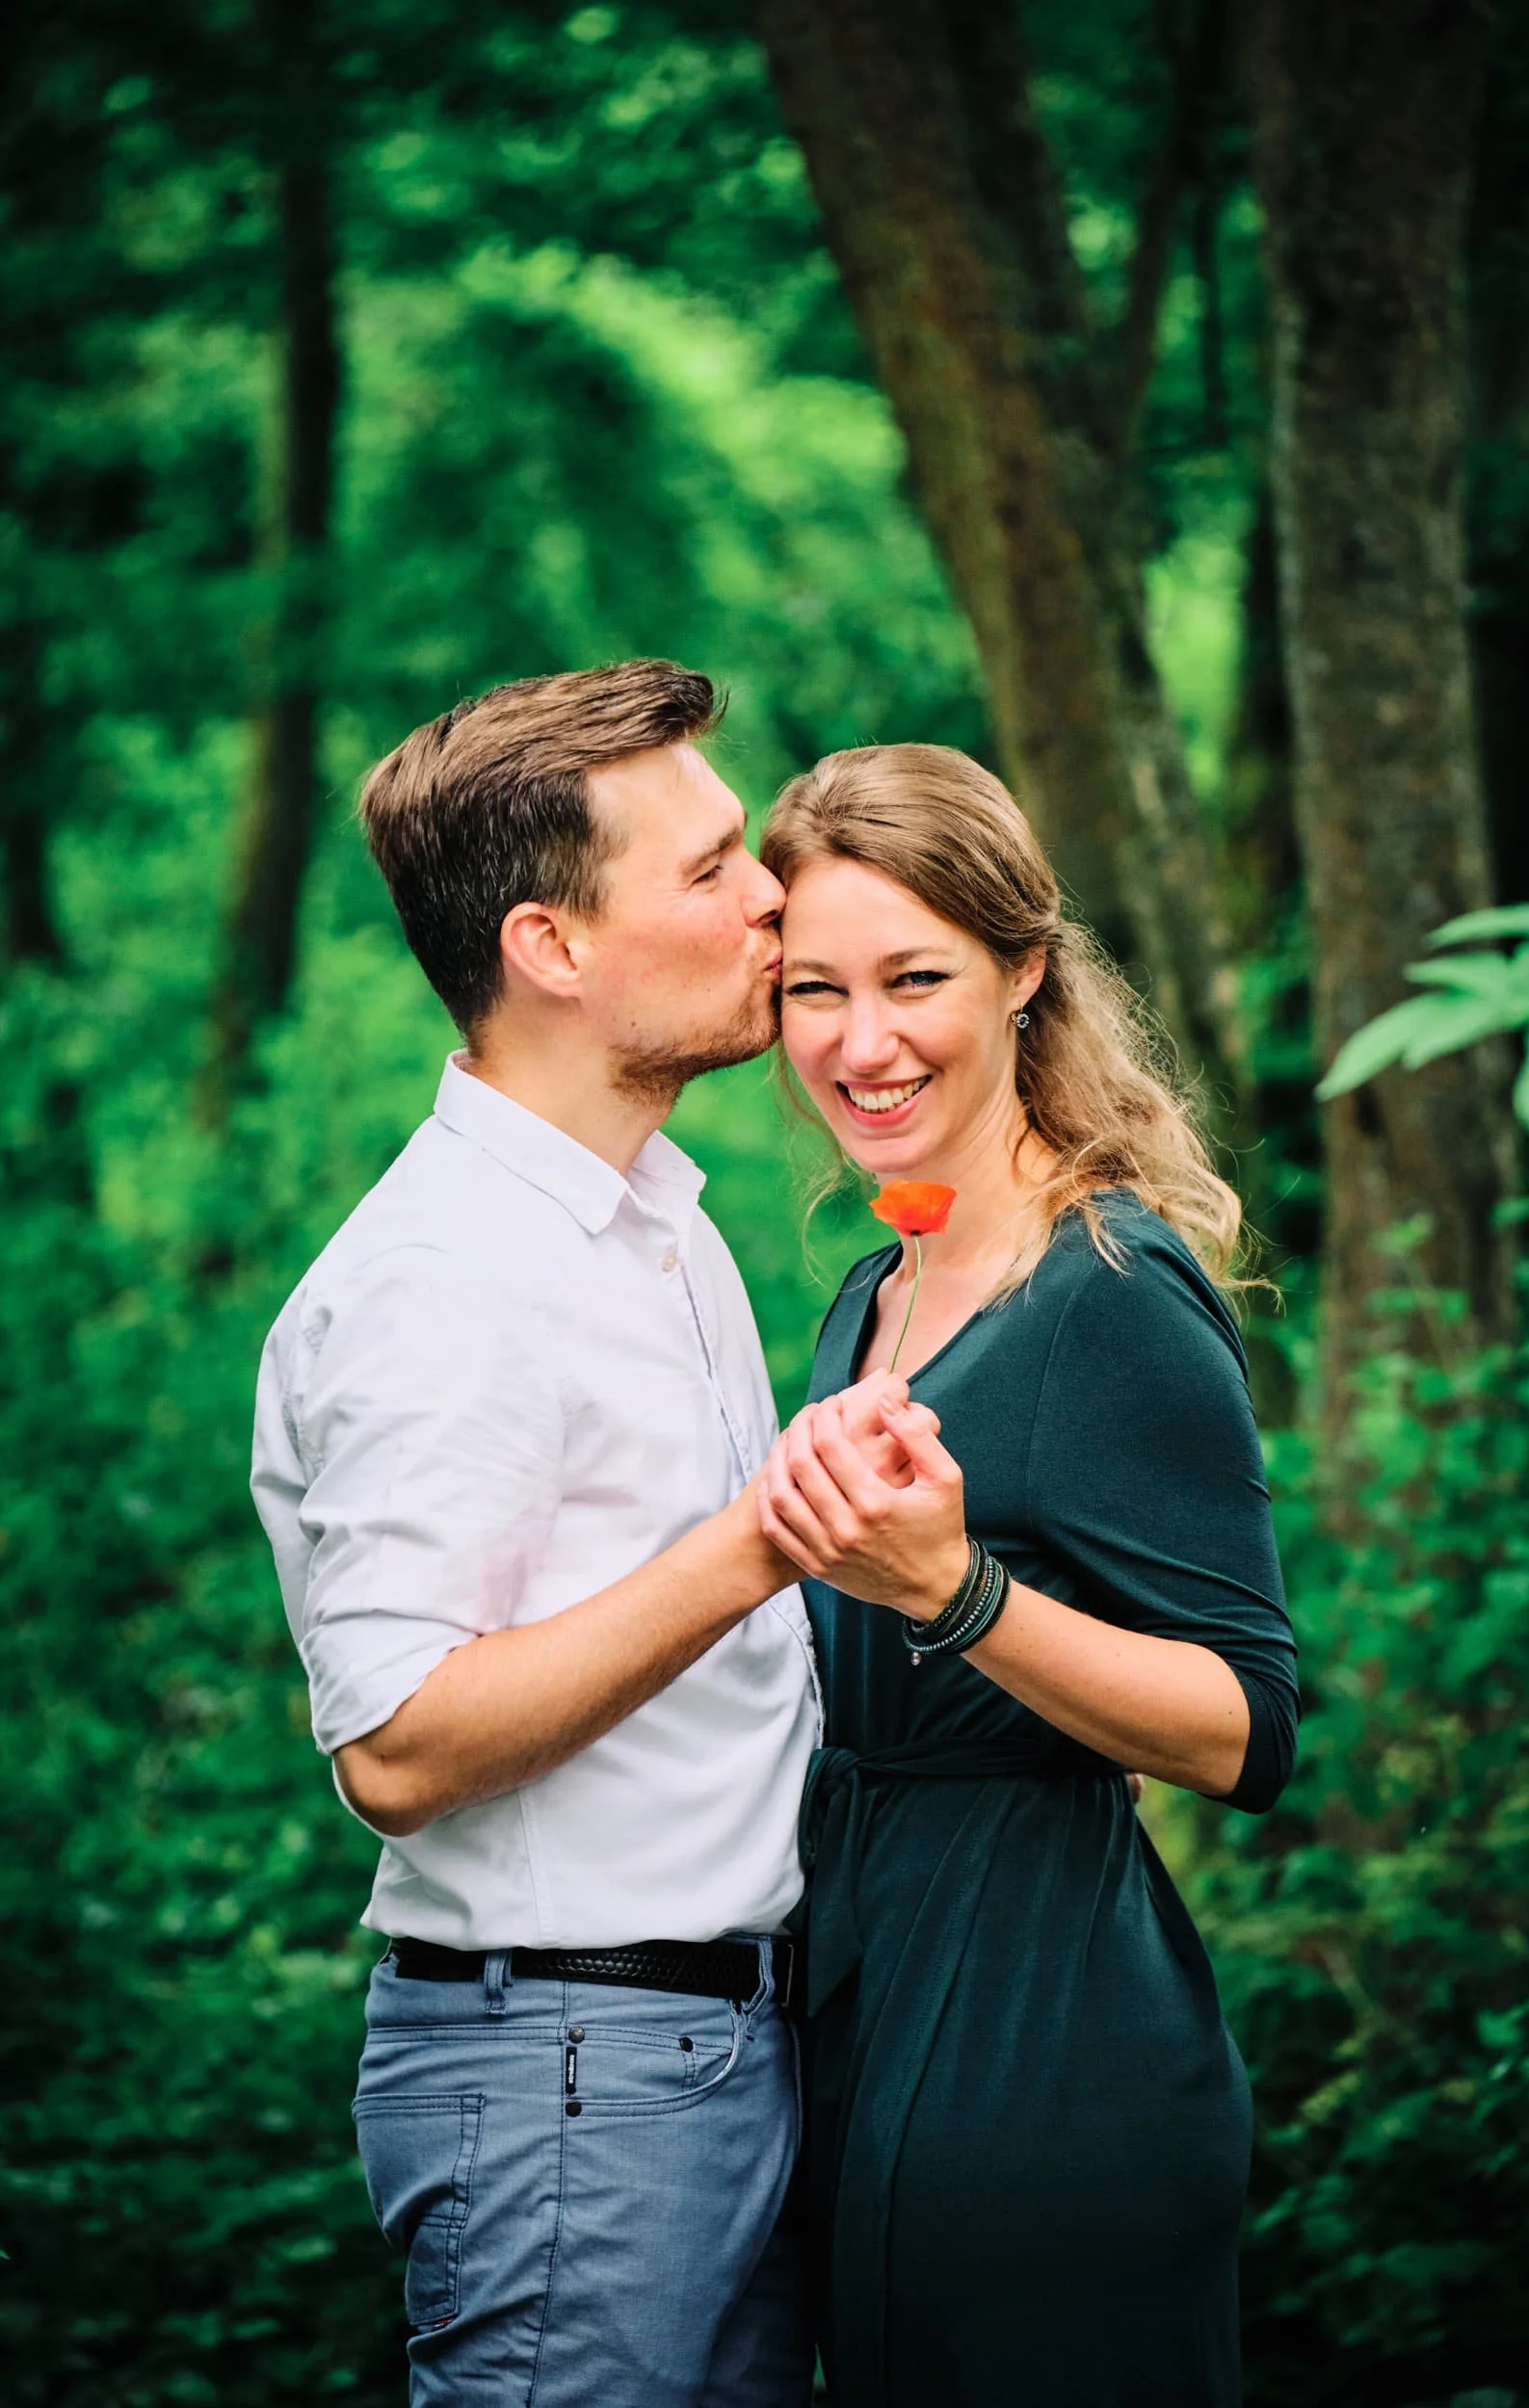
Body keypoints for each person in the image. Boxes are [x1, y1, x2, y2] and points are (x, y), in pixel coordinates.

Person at [250, 661, 883, 2407]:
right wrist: (755, 1546)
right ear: (552, 948)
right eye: (706, 869)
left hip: (707, 2047)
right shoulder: (444, 1281)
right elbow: (394, 1744)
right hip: (566, 2073)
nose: (769, 894)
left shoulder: (651, 1224)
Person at [753, 744, 1301, 2408]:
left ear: (1023, 973)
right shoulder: (874, 1288)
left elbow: (1244, 1729)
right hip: (856, 1999)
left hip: (1039, 2048)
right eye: (812, 989)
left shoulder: (1110, 1293)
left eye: (914, 978)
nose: (862, 1042)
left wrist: (957, 1595)